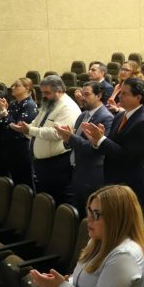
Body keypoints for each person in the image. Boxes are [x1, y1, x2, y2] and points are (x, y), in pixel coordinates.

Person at [81, 77, 144, 287]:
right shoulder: (120, 116)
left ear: (138, 97)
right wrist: (97, 140)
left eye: (124, 93)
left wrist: (102, 140)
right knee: (120, 237)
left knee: (140, 239)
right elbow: (110, 148)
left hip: (136, 187)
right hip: (118, 186)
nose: (119, 96)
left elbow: (128, 157)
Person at [10, 75, 80, 204]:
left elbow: (57, 133)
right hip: (42, 163)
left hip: (57, 164)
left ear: (59, 90)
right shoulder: (49, 103)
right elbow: (36, 123)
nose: (44, 96)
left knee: (59, 201)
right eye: (42, 92)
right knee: (45, 201)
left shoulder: (68, 107)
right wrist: (25, 128)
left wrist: (30, 130)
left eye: (47, 92)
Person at [56, 82, 114, 214]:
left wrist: (70, 137)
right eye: (82, 94)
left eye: (87, 94)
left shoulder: (106, 118)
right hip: (77, 172)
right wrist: (66, 138)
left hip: (91, 175)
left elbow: (96, 147)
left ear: (99, 95)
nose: (82, 98)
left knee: (90, 216)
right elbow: (73, 142)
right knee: (76, 214)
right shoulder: (83, 115)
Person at [0, 77, 38, 187]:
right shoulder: (14, 104)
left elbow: (18, 128)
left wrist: (4, 112)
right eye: (13, 85)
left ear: (27, 88)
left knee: (23, 185)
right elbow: (5, 123)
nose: (13, 88)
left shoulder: (30, 105)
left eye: (17, 86)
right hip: (9, 148)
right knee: (9, 184)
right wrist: (1, 114)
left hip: (21, 150)